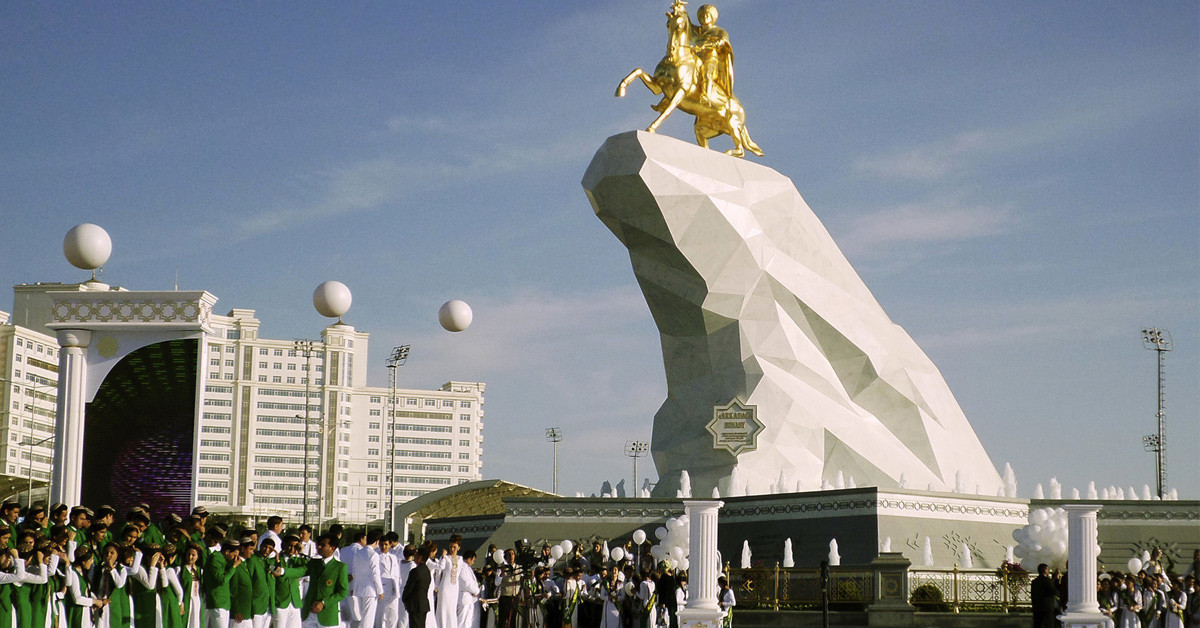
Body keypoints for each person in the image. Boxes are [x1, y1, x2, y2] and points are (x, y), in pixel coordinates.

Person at [301, 534, 348, 628]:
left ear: (332, 548)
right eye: (318, 544)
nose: (318, 547)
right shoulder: (314, 563)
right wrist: (283, 571)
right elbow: (299, 571)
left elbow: (342, 592)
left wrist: (323, 603)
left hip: (327, 615)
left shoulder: (340, 567)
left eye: (323, 545)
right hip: (309, 614)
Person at [349, 532, 383, 628]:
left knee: (362, 617)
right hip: (370, 590)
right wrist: (380, 591)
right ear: (377, 542)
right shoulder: (373, 555)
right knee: (368, 618)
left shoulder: (358, 553)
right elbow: (375, 574)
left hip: (359, 589)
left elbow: (354, 572)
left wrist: (354, 587)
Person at [205, 540, 241, 628]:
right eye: (234, 555)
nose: (234, 558)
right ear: (227, 551)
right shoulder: (215, 559)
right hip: (217, 602)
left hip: (224, 603)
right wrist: (233, 567)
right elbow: (221, 580)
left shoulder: (223, 560)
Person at [433, 536, 464, 628]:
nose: (452, 549)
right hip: (444, 587)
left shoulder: (460, 559)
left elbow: (459, 574)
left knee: (451, 610)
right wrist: (436, 586)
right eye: (450, 547)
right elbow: (439, 573)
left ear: (458, 548)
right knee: (443, 609)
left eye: (454, 547)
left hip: (454, 588)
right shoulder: (445, 558)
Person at [400, 547, 430, 628]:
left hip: (415, 605)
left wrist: (404, 599)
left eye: (416, 555)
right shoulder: (427, 571)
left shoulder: (415, 571)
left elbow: (409, 588)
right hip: (423, 604)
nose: (414, 557)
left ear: (420, 557)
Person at [456, 550, 480, 628]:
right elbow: (466, 582)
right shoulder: (462, 567)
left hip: (469, 597)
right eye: (472, 561)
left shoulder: (467, 568)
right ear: (469, 559)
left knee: (467, 622)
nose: (472, 563)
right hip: (464, 596)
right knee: (462, 621)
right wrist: (476, 590)